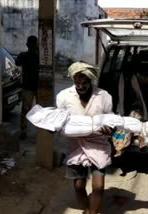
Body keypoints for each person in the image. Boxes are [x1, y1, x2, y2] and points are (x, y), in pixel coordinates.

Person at [56, 62, 113, 214]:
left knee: (98, 186)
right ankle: (87, 209)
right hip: (76, 145)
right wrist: (53, 128)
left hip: (98, 145)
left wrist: (110, 129)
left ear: (91, 81)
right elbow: (59, 119)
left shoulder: (103, 96)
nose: (80, 86)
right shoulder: (64, 96)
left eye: (84, 83)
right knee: (79, 186)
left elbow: (110, 118)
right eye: (77, 83)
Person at [16, 35, 39, 139]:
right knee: (35, 110)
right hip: (34, 86)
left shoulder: (24, 55)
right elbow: (17, 62)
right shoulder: (30, 55)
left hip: (30, 86)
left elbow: (17, 62)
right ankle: (29, 131)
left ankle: (24, 131)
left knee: (26, 110)